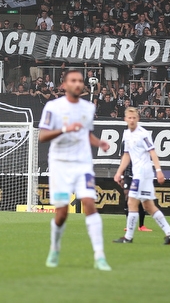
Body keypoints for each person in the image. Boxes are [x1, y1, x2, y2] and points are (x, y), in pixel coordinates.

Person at [38, 69, 112, 271]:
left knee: (89, 203)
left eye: (80, 81)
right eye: (73, 80)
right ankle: (55, 248)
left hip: (82, 163)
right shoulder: (53, 107)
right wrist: (65, 129)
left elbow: (86, 134)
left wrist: (99, 143)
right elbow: (42, 136)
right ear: (64, 85)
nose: (78, 84)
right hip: (60, 164)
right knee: (62, 213)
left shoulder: (88, 108)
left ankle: (100, 255)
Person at [112, 108, 170, 245]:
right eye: (129, 117)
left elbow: (152, 152)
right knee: (148, 206)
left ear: (138, 119)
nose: (131, 120)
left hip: (143, 173)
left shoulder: (143, 134)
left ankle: (128, 237)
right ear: (125, 119)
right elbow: (126, 155)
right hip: (138, 173)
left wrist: (159, 171)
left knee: (131, 202)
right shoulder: (127, 135)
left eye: (134, 117)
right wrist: (119, 172)